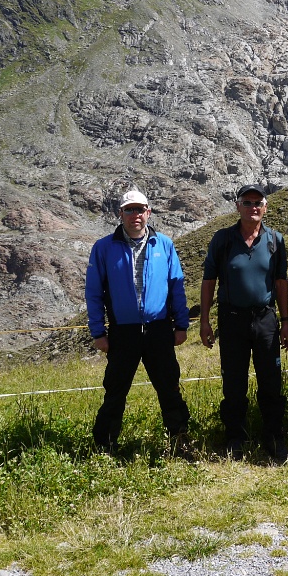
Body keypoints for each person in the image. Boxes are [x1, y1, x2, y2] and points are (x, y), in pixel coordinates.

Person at [85, 189, 194, 457]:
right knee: (115, 390)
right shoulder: (104, 247)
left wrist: (181, 325)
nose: (135, 215)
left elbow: (176, 287)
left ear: (148, 212)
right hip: (123, 332)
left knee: (169, 388)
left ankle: (180, 441)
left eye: (140, 209)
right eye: (129, 210)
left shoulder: (164, 244)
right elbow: (93, 292)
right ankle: (105, 447)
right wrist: (98, 332)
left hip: (159, 329)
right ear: (120, 213)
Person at [199, 184, 288, 463]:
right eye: (247, 202)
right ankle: (235, 439)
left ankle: (274, 436)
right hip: (232, 320)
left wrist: (285, 321)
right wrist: (204, 321)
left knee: (271, 381)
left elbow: (281, 282)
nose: (253, 207)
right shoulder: (223, 239)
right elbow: (209, 280)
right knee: (234, 382)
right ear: (237, 206)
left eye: (257, 203)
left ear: (265, 207)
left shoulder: (275, 240)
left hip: (265, 319)